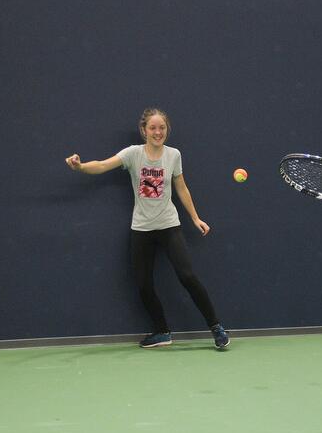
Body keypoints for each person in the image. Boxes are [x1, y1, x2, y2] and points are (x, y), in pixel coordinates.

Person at [65, 108, 230, 350]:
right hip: (141, 228)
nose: (157, 132)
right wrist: (80, 167)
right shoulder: (133, 154)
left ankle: (216, 327)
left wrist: (195, 218)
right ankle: (162, 331)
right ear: (144, 130)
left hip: (169, 226)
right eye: (152, 128)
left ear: (167, 130)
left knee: (187, 276)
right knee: (143, 285)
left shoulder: (174, 155)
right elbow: (101, 166)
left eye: (161, 127)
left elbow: (181, 187)